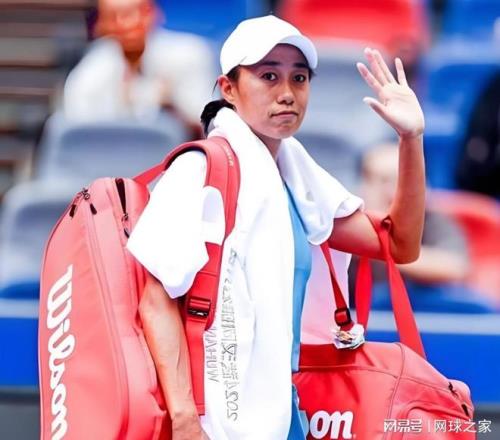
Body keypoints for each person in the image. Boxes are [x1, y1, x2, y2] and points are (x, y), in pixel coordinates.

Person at [126, 15, 426, 440]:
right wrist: (185, 419)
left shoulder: (299, 180)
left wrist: (410, 140)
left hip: (283, 416)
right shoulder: (197, 171)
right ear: (228, 88)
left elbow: (399, 244)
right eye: (269, 76)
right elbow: (156, 301)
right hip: (212, 425)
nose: (287, 93)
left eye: (299, 78)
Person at [63, 0, 214, 136]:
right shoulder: (89, 73)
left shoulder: (190, 55)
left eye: (134, 12)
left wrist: (170, 108)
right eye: (113, 16)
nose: (125, 23)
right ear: (100, 24)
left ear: (154, 13)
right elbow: (78, 135)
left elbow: (208, 128)